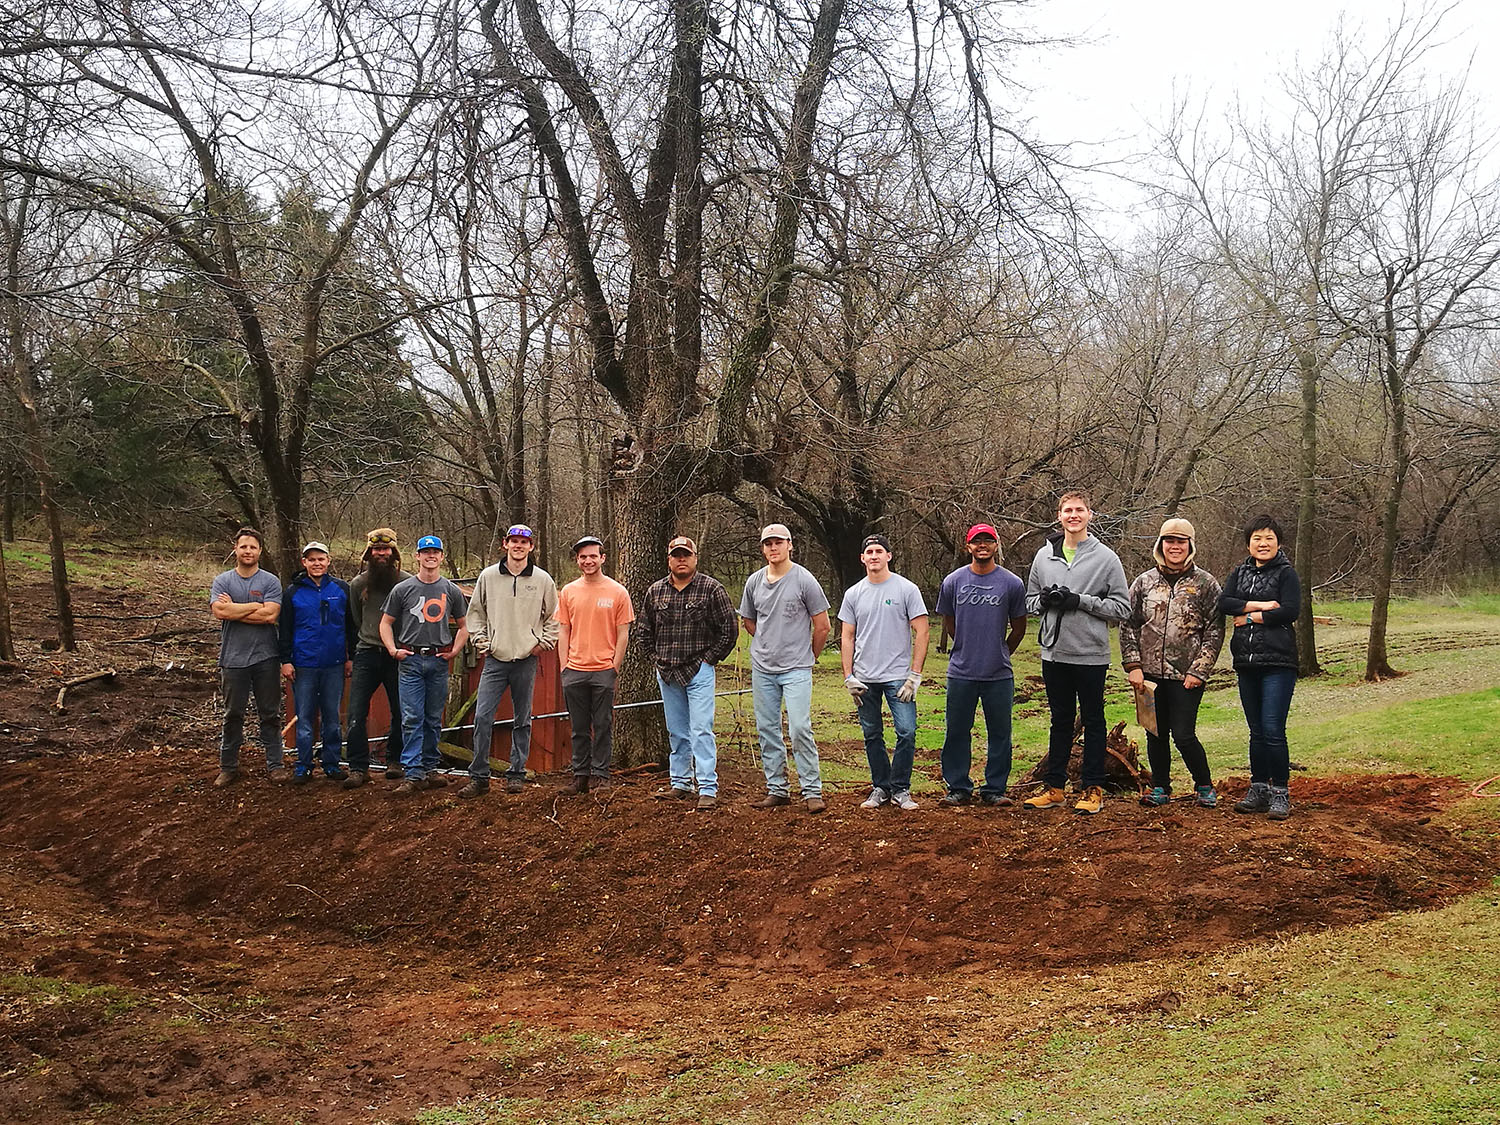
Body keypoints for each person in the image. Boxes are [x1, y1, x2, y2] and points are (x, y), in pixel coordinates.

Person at [1022, 490, 1130, 815]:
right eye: (1067, 510)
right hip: (1054, 654)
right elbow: (1028, 601)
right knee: (1060, 721)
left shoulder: (1106, 558)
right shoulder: (1044, 557)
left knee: (1094, 722)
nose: (1073, 515)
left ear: (1090, 515)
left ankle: (1092, 789)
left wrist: (1081, 600)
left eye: (1079, 510)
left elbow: (1122, 608)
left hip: (1090, 655)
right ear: (1059, 516)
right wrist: (1044, 601)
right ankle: (1055, 787)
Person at [1120, 518, 1225, 808]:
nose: (1174, 547)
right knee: (1155, 734)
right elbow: (1128, 625)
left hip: (1186, 676)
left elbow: (1215, 631)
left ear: (1190, 546)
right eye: (1169, 541)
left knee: (1183, 734)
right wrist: (1134, 665)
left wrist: (1199, 670)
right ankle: (1160, 788)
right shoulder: (1144, 582)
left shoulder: (1205, 584)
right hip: (1149, 675)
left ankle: (1204, 785)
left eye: (1181, 541)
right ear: (1160, 545)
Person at [638, 536, 739, 811]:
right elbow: (644, 631)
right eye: (676, 555)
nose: (681, 559)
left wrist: (709, 660)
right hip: (667, 672)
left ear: (695, 557)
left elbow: (729, 630)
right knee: (677, 731)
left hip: (698, 671)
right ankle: (680, 783)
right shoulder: (655, 591)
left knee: (701, 730)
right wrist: (654, 659)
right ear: (669, 559)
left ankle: (707, 787)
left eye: (686, 555)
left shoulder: (711, 589)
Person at [458, 524, 559, 799]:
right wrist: (483, 643)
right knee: (482, 717)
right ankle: (479, 776)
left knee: (522, 718)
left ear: (531, 546)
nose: (518, 546)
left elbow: (554, 618)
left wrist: (541, 645)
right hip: (495, 660)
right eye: (513, 541)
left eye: (523, 542)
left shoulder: (542, 580)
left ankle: (516, 773)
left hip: (526, 659)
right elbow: (475, 614)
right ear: (505, 544)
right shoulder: (488, 577)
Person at [739, 523, 830, 814]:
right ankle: (777, 788)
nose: (773, 548)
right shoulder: (754, 582)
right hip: (763, 667)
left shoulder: (804, 580)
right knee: (767, 729)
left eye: (778, 542)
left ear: (790, 544)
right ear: (762, 548)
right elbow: (749, 621)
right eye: (768, 544)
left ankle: (812, 790)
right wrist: (767, 643)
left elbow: (823, 625)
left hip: (797, 668)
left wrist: (810, 655)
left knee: (800, 727)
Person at [936, 523, 1028, 808]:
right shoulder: (953, 581)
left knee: (1000, 733)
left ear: (996, 545)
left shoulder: (1012, 583)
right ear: (969, 547)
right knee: (956, 731)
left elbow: (1019, 627)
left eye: (988, 540)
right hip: (961, 671)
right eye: (977, 541)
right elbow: (949, 621)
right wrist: (964, 644)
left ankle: (995, 789)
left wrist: (1001, 651)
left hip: (998, 674)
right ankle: (959, 787)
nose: (982, 545)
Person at [1218, 514, 1301, 822]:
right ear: (1248, 543)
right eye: (1257, 538)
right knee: (1255, 732)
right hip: (1246, 661)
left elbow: (1291, 610)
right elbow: (1225, 603)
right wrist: (1264, 606)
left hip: (1278, 662)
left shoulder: (1286, 574)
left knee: (1272, 730)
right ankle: (1258, 789)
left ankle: (1280, 792)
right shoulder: (1239, 572)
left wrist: (1250, 617)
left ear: (1278, 542)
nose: (1263, 543)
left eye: (1268, 538)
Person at [839, 534, 930, 811]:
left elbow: (923, 630)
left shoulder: (906, 589)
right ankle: (881, 787)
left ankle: (901, 789)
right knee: (872, 734)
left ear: (889, 556)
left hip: (898, 678)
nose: (875, 555)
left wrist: (915, 675)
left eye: (880, 551)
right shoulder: (853, 593)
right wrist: (848, 676)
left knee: (906, 731)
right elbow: (847, 636)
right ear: (862, 559)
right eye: (870, 551)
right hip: (865, 679)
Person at [379, 535, 469, 796]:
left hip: (438, 661)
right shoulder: (403, 589)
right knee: (411, 718)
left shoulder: (450, 590)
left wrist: (455, 649)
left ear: (441, 557)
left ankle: (430, 768)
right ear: (417, 556)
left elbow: (464, 626)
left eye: (435, 552)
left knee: (432, 718)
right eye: (425, 552)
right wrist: (392, 649)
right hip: (410, 661)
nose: (430, 556)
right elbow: (385, 622)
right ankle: (413, 772)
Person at [555, 535, 634, 794]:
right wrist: (564, 665)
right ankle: (580, 775)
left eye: (592, 556)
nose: (588, 561)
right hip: (575, 670)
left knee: (602, 725)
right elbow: (563, 631)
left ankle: (600, 775)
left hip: (603, 670)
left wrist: (614, 666)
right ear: (578, 560)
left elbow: (623, 633)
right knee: (578, 728)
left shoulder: (617, 592)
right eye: (583, 557)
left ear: (603, 558)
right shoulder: (568, 592)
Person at [209, 527, 283, 787]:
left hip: (266, 657)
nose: (248, 551)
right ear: (235, 549)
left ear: (260, 550)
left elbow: (270, 615)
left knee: (270, 714)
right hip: (233, 659)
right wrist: (254, 606)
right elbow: (219, 612)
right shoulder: (223, 581)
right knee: (233, 715)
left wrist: (235, 608)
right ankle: (228, 767)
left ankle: (275, 765)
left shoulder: (270, 581)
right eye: (243, 547)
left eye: (252, 547)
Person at [278, 541, 355, 784]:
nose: (317, 563)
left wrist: (350, 657)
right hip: (304, 664)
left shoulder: (342, 589)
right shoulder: (293, 592)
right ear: (304, 563)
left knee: (332, 717)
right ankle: (303, 765)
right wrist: (285, 660)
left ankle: (331, 763)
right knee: (305, 717)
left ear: (328, 560)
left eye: (320, 559)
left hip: (334, 663)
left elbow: (351, 626)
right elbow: (285, 629)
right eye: (311, 559)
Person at [344, 528, 410, 788]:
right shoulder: (358, 584)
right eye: (376, 550)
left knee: (401, 711)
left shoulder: (407, 583)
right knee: (356, 712)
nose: (381, 554)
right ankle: (358, 767)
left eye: (386, 550)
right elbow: (356, 620)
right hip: (366, 653)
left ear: (394, 553)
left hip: (397, 655)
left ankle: (395, 761)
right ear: (370, 553)